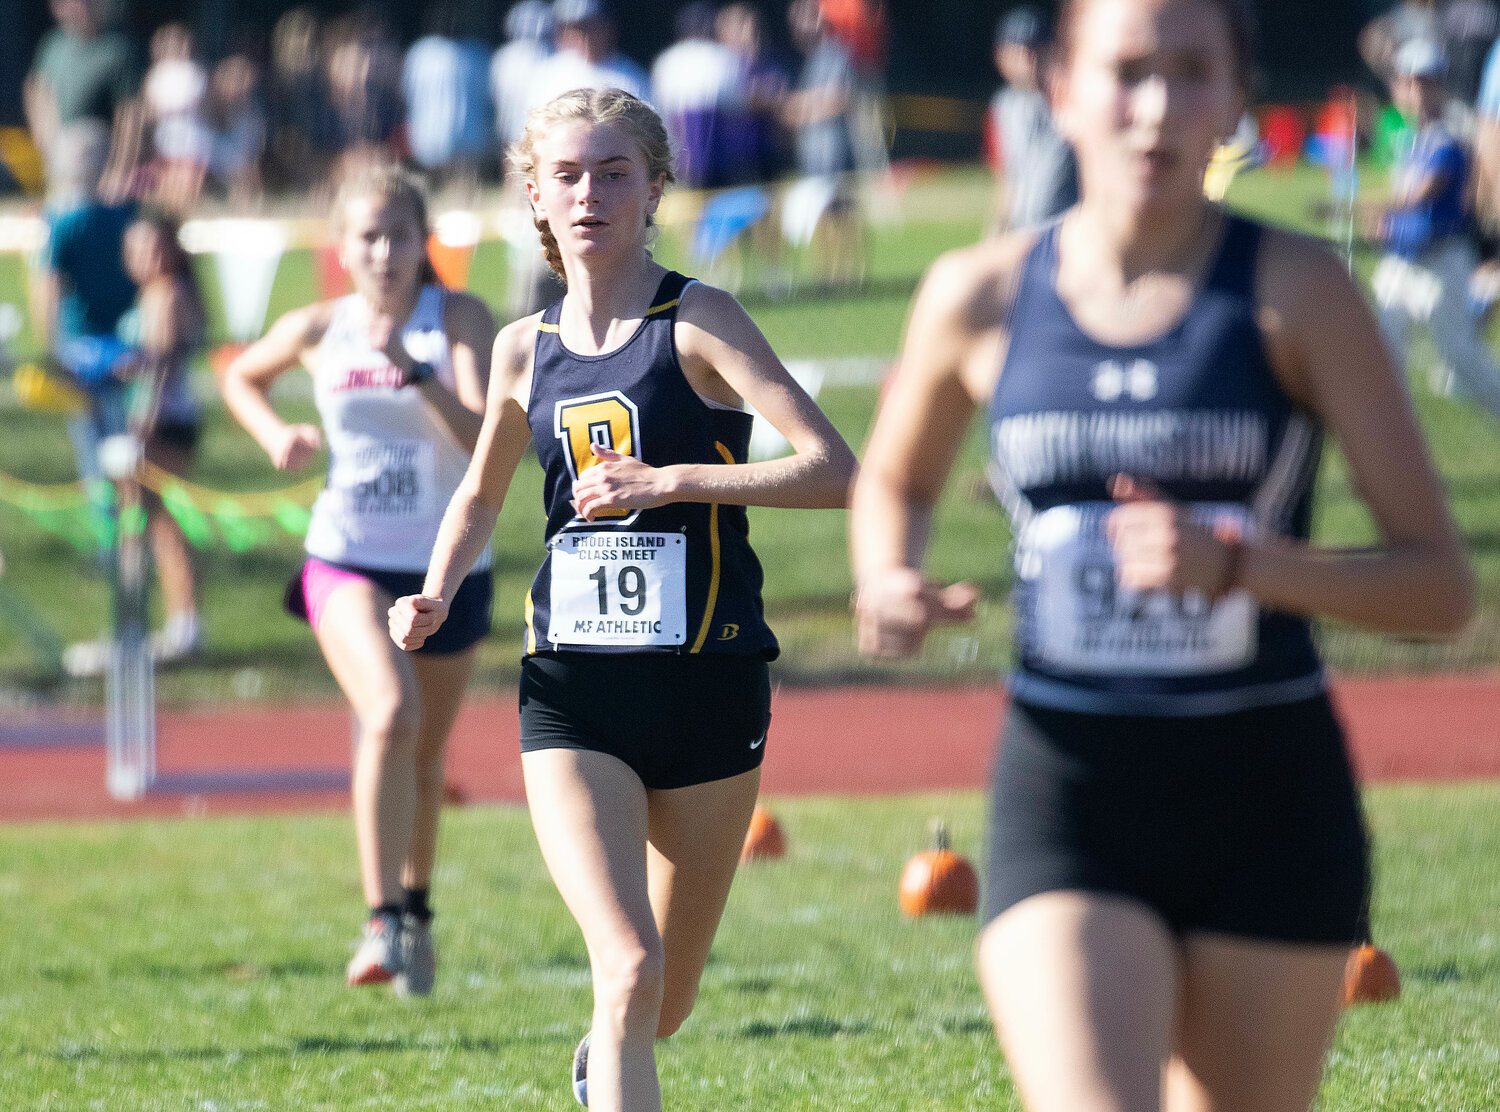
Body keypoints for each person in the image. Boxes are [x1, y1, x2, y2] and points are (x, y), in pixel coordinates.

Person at [850, 4, 1473, 1112]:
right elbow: (894, 480)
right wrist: (887, 575)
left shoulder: (1298, 292)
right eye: (1127, 71)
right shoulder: (979, 294)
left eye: (1193, 73)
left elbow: (1438, 585)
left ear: (1237, 96)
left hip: (1268, 791)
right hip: (1070, 785)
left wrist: (1240, 565)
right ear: (1060, 87)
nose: (1156, 108)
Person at [388, 88, 854, 1110]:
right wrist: (431, 591)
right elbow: (479, 493)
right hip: (573, 692)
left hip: (710, 689)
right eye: (567, 174)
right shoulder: (524, 347)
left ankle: (606, 1064)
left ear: (653, 190)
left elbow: (834, 468)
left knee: (664, 1000)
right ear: (536, 197)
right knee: (629, 966)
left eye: (613, 172)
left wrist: (672, 479)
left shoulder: (698, 320)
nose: (589, 193)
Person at [221, 162, 497, 996]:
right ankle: (379, 918)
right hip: (344, 554)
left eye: (399, 236)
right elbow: (239, 373)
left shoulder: (458, 317)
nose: (383, 252)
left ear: (424, 243)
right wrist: (275, 434)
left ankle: (415, 913)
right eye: (367, 237)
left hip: (447, 566)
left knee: (423, 754)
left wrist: (410, 370)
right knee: (389, 712)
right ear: (342, 248)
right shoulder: (317, 326)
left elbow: (486, 434)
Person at [1370, 38, 1500, 419]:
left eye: (1425, 82)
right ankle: (1388, 442)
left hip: (1441, 263)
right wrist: (1383, 222)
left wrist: (1355, 206)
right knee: (1382, 354)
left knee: (1461, 358)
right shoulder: (1411, 137)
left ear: (1440, 85)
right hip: (1403, 263)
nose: (1416, 92)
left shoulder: (1448, 134)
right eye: (1408, 82)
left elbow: (1421, 196)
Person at [116, 209, 207, 665]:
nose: (143, 257)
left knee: (162, 524)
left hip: (161, 422)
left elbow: (161, 365)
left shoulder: (166, 294)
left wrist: (140, 426)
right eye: (135, 248)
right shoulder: (154, 293)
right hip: (161, 418)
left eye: (153, 246)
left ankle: (182, 623)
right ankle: (164, 621)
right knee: (151, 524)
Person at [985, 6, 1079, 235]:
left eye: (1034, 50)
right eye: (1018, 51)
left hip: (1067, 228)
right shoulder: (1003, 108)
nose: (1027, 61)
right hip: (1024, 231)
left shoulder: (1073, 97)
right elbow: (1007, 177)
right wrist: (996, 231)